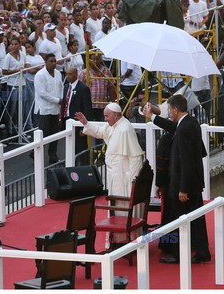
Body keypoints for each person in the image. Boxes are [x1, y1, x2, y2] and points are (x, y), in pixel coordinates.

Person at [143, 95, 211, 264]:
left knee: (176, 218)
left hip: (183, 184)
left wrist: (183, 189)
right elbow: (171, 127)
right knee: (196, 218)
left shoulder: (184, 129)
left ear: (175, 109)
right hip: (192, 182)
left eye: (170, 110)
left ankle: (178, 254)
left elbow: (186, 161)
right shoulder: (190, 123)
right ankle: (202, 252)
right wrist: (151, 116)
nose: (169, 114)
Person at [75, 103, 144, 198]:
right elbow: (99, 132)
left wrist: (134, 180)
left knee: (123, 203)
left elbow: (135, 157)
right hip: (113, 174)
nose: (105, 119)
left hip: (123, 175)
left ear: (115, 115)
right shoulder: (111, 125)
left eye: (107, 116)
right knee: (114, 202)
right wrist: (85, 123)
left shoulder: (125, 129)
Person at [34, 54, 63, 164]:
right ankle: (34, 153)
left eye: (55, 61)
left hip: (55, 109)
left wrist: (60, 101)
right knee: (44, 133)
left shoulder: (58, 74)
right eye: (51, 61)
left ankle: (53, 156)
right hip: (44, 109)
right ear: (45, 62)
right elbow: (42, 93)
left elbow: (60, 87)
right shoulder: (40, 75)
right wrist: (57, 100)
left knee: (54, 134)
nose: (54, 63)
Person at [61, 68, 92, 165]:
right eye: (67, 74)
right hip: (67, 120)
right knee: (70, 146)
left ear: (76, 74)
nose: (68, 76)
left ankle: (84, 169)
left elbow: (87, 108)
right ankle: (71, 167)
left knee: (81, 147)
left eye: (70, 74)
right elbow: (64, 103)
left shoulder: (83, 88)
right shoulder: (66, 87)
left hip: (78, 123)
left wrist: (85, 126)